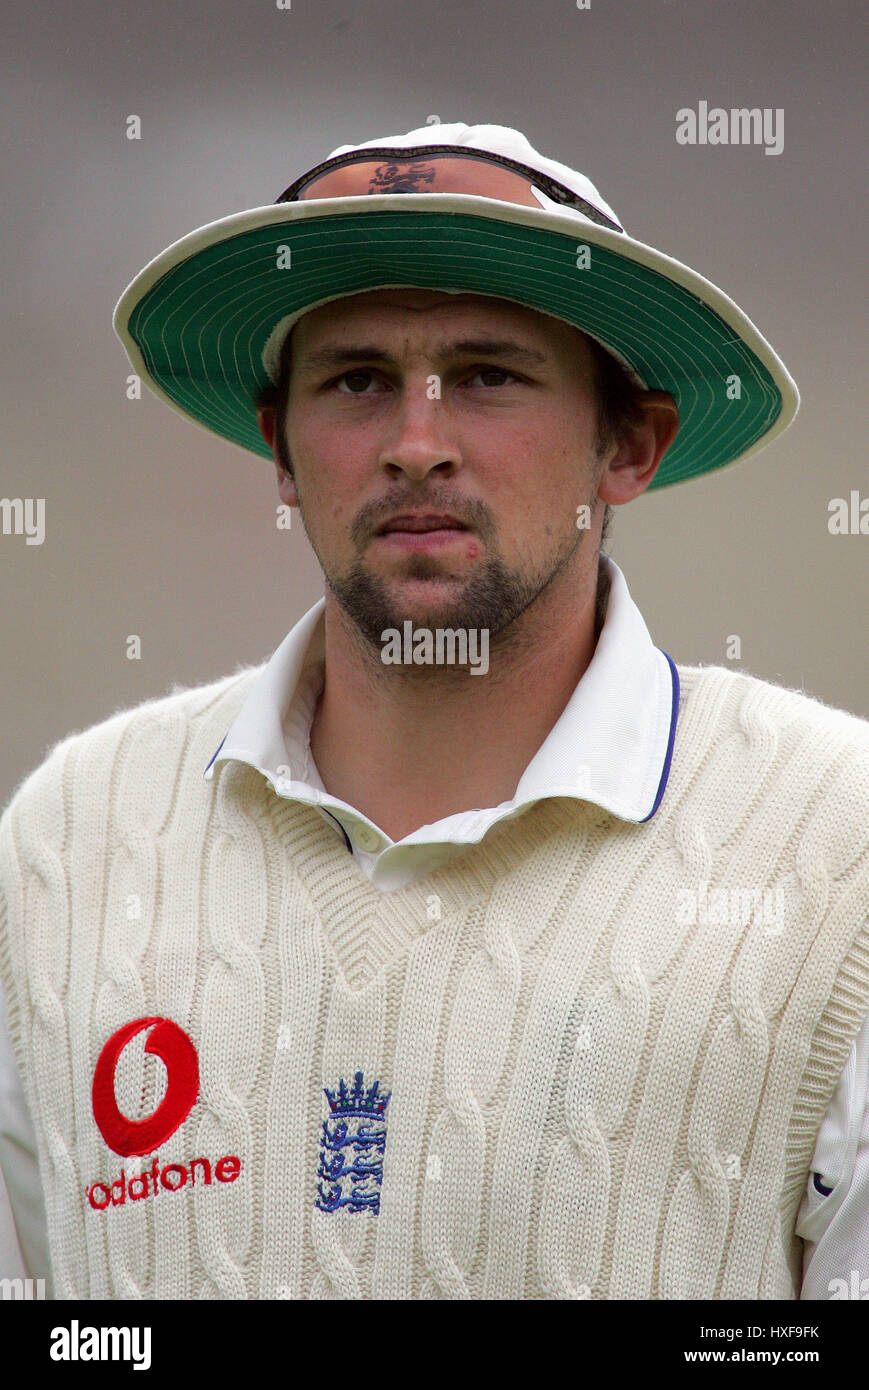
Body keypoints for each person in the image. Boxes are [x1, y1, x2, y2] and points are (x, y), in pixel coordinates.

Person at [1, 121, 867, 1301]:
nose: (415, 443)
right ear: (281, 451)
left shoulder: (832, 846)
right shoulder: (68, 842)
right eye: (356, 379)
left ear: (630, 445)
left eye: (487, 376)